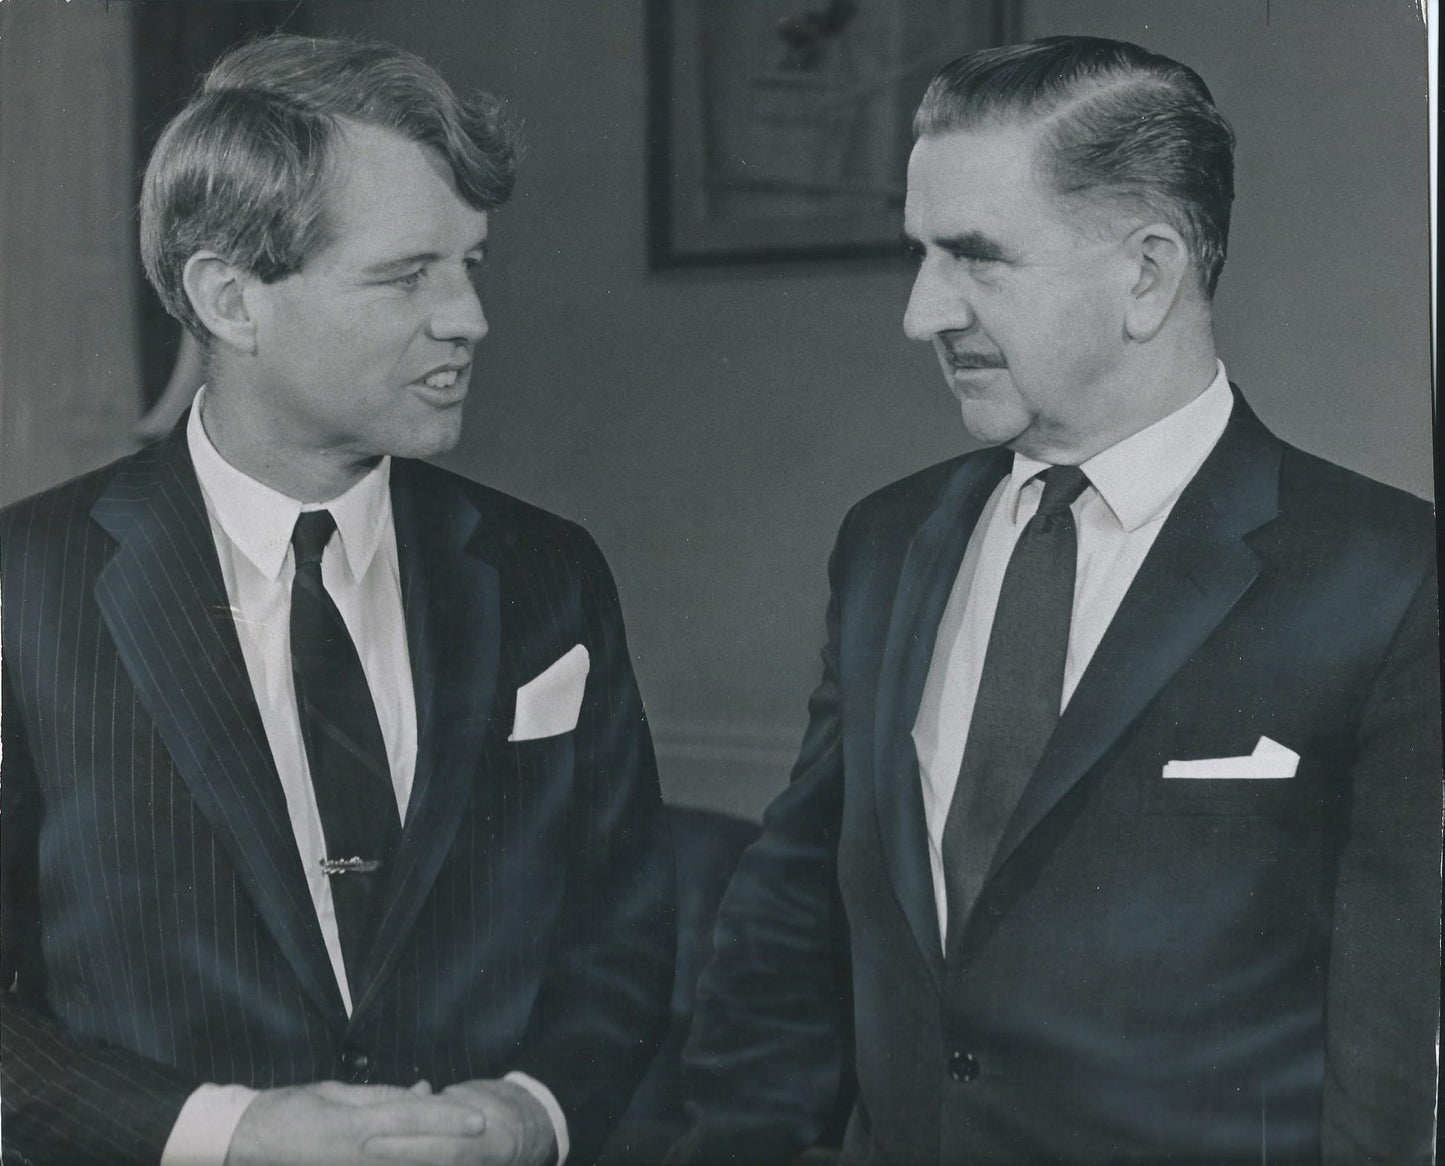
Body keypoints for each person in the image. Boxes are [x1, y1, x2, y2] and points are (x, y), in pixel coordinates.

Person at [672, 36, 1439, 1166]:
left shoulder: (1385, 572)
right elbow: (795, 920)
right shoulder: (887, 541)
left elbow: (1387, 1051)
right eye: (920, 256)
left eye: (976, 258)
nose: (920, 311)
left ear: (1146, 272)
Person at [0, 34, 675, 1166]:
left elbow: (622, 932)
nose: (468, 317)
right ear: (231, 298)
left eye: (471, 264)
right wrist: (226, 1131)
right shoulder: (23, 585)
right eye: (407, 274)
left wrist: (529, 1114)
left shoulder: (546, 570)